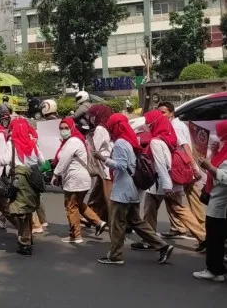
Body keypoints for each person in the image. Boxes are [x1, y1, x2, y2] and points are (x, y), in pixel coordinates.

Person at [94, 113, 174, 265]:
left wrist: (103, 158)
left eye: (111, 127)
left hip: (122, 191)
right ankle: (162, 246)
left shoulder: (120, 143)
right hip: (131, 190)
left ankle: (115, 256)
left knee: (117, 224)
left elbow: (121, 166)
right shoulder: (130, 141)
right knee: (137, 222)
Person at [137, 110, 206, 252]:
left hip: (161, 183)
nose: (147, 126)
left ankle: (149, 240)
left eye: (148, 123)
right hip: (170, 181)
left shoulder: (156, 141)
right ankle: (204, 238)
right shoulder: (167, 137)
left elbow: (162, 165)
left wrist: (167, 185)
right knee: (179, 209)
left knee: (151, 210)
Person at [52, 117, 108, 243]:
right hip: (81, 178)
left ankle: (75, 235)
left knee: (71, 206)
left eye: (66, 128)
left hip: (75, 179)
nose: (63, 130)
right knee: (79, 204)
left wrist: (56, 174)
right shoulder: (74, 140)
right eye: (61, 128)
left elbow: (64, 160)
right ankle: (99, 222)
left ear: (72, 128)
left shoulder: (72, 142)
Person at [0, 119, 44, 256]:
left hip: (19, 181)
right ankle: (28, 239)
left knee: (20, 212)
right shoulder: (32, 143)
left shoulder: (12, 143)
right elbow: (42, 161)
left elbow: (4, 160)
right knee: (28, 211)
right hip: (33, 180)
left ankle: (25, 243)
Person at [158, 102, 206, 240]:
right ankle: (188, 227)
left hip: (181, 166)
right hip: (185, 166)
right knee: (192, 196)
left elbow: (185, 147)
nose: (162, 116)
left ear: (171, 113)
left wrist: (193, 168)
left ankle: (183, 228)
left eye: (164, 113)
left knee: (174, 198)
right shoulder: (178, 124)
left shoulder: (175, 126)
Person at [194, 120, 227, 281]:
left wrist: (210, 167)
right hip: (218, 200)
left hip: (221, 205)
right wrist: (213, 154)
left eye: (221, 135)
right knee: (217, 238)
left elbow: (223, 175)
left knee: (215, 238)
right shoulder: (223, 151)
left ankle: (215, 270)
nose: (219, 138)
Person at [86, 104, 114, 222]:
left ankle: (114, 221)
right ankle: (92, 217)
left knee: (108, 197)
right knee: (98, 194)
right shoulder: (108, 127)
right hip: (109, 164)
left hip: (103, 165)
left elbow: (95, 148)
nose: (90, 118)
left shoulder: (99, 129)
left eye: (92, 115)